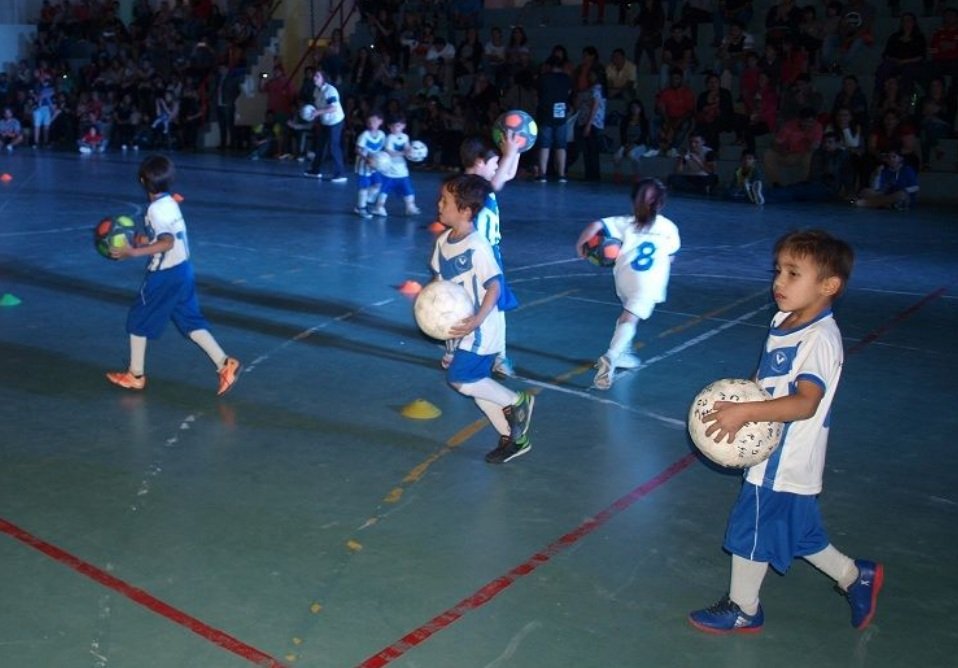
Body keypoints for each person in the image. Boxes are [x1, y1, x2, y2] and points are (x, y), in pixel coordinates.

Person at [688, 229, 883, 636]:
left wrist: (747, 412)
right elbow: (768, 379)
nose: (779, 282)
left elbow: (805, 402)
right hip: (775, 452)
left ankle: (744, 608)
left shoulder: (819, 339)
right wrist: (743, 393)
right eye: (778, 270)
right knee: (801, 533)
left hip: (786, 459)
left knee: (751, 528)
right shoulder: (784, 320)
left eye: (793, 273)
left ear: (829, 286)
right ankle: (854, 576)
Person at [106, 155, 241, 396]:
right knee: (190, 321)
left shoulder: (155, 210)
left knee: (138, 320)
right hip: (183, 271)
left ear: (141, 181)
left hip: (164, 275)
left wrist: (133, 251)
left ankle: (135, 375)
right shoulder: (170, 202)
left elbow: (167, 243)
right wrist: (143, 239)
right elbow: (168, 236)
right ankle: (224, 363)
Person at [431, 173, 535, 464]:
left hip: (482, 326)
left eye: (445, 201)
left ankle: (517, 402)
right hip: (460, 328)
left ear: (465, 210)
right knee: (477, 386)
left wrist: (477, 319)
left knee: (461, 380)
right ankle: (514, 439)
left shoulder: (478, 246)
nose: (439, 205)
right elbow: (443, 293)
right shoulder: (442, 244)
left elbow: (494, 286)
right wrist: (449, 343)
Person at [575, 178, 680, 390]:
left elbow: (595, 225)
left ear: (634, 201)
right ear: (661, 204)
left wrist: (580, 245)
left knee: (626, 314)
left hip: (624, 277)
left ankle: (624, 353)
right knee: (630, 319)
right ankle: (612, 357)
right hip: (649, 282)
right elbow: (670, 257)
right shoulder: (669, 227)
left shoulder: (625, 222)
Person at [459, 133, 523, 377]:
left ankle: (498, 356)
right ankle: (484, 354)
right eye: (495, 163)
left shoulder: (482, 184)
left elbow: (508, 175)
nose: (499, 168)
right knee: (472, 305)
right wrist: (508, 153)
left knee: (494, 308)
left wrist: (516, 149)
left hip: (490, 255)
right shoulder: (469, 186)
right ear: (479, 162)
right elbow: (496, 183)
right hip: (474, 256)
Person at [369, 113, 420, 217]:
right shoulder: (390, 138)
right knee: (384, 191)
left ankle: (410, 207)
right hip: (389, 171)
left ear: (403, 126)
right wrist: (404, 153)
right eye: (393, 126)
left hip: (402, 171)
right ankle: (379, 207)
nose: (396, 128)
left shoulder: (405, 137)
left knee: (408, 190)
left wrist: (413, 152)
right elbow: (389, 152)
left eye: (398, 126)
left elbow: (407, 148)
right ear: (389, 127)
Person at [304, 69, 347, 183]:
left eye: (317, 76)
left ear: (323, 78)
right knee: (320, 146)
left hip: (335, 121)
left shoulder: (330, 90)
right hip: (325, 121)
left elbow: (333, 108)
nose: (314, 78)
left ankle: (340, 173)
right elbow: (317, 105)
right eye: (314, 76)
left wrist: (317, 113)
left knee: (333, 146)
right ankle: (315, 170)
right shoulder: (316, 91)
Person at [535, 56, 574, 182]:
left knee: (544, 145)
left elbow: (539, 94)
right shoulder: (566, 78)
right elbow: (569, 93)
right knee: (561, 145)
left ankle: (542, 174)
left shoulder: (543, 78)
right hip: (560, 112)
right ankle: (562, 174)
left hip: (546, 113)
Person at [854, 146, 919, 209]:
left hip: (901, 196)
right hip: (885, 195)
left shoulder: (907, 170)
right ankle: (884, 204)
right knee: (865, 191)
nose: (891, 159)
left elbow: (915, 187)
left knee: (901, 195)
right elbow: (877, 189)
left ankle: (868, 203)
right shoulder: (885, 171)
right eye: (889, 157)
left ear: (900, 158)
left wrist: (904, 190)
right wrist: (877, 175)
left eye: (894, 157)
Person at [353, 109, 386, 218]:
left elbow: (382, 149)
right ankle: (361, 207)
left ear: (380, 122)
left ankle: (365, 201)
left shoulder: (382, 135)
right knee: (364, 187)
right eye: (369, 122)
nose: (372, 124)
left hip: (375, 166)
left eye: (374, 122)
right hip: (363, 166)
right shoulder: (364, 135)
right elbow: (357, 150)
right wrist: (366, 158)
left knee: (378, 184)